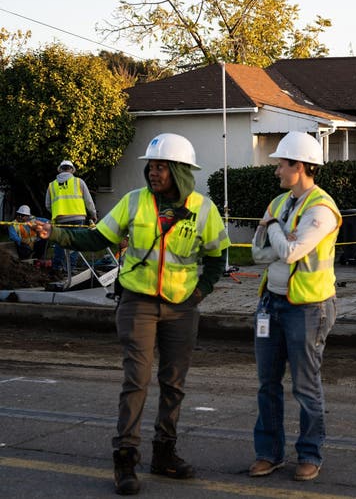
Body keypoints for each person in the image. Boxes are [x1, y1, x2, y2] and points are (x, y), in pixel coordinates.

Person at [32, 133, 231, 495]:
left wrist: (199, 292)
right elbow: (97, 239)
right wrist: (57, 234)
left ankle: (164, 453)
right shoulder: (134, 202)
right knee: (136, 380)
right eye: (150, 166)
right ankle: (125, 457)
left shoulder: (204, 209)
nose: (153, 173)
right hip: (137, 303)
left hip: (181, 309)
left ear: (180, 171)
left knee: (174, 383)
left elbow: (218, 258)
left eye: (160, 167)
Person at [248, 131, 341, 482]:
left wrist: (273, 229)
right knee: (266, 383)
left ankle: (309, 453)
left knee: (305, 385)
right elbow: (258, 253)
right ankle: (268, 454)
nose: (277, 172)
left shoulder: (321, 210)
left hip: (307, 307)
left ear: (299, 166)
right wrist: (279, 233)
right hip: (270, 303)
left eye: (281, 165)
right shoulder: (279, 202)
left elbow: (290, 253)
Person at [45, 159, 97, 273]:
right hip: (77, 217)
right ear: (71, 170)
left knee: (60, 243)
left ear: (60, 169)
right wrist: (93, 214)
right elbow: (88, 201)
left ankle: (57, 267)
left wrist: (57, 212)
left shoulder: (52, 185)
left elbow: (48, 205)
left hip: (59, 218)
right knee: (75, 243)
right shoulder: (79, 182)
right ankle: (70, 268)